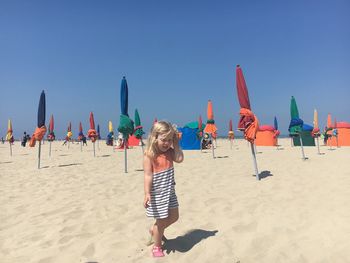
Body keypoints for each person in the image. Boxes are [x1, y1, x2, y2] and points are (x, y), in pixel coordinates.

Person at [143, 121, 184, 257]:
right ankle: (157, 246)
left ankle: (155, 231)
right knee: (161, 221)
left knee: (174, 216)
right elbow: (148, 175)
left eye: (169, 140)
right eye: (163, 140)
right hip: (158, 194)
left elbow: (179, 158)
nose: (166, 143)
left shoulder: (171, 152)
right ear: (155, 137)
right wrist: (147, 193)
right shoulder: (150, 154)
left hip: (170, 192)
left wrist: (176, 144)